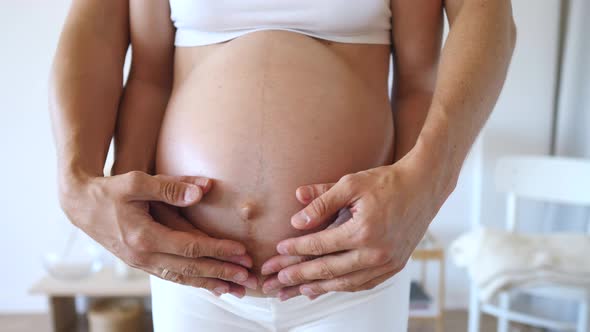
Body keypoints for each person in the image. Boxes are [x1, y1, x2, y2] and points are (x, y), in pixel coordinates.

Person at [49, 0, 516, 330]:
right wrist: (117, 192)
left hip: (350, 274)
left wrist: (425, 183)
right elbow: (147, 75)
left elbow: (420, 79)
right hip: (197, 277)